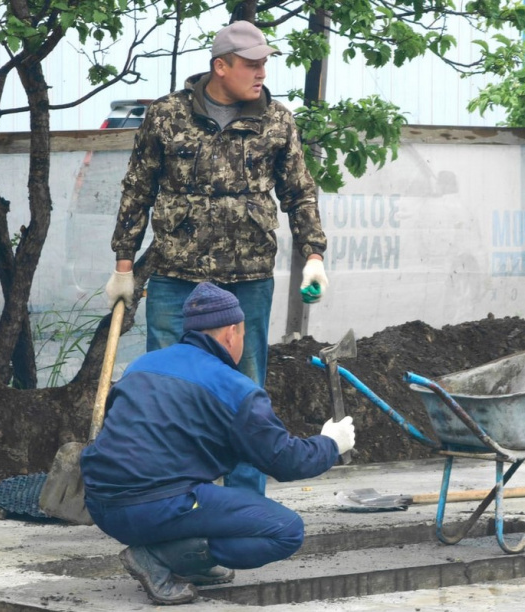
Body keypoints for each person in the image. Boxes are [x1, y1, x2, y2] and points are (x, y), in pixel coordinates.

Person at [103, 20, 329, 496]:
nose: (260, 72)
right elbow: (137, 189)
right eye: (250, 64)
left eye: (264, 63)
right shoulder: (167, 116)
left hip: (246, 278)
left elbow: (299, 193)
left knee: (247, 388)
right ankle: (167, 491)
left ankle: (244, 500)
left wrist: (313, 254)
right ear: (220, 66)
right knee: (165, 386)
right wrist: (124, 265)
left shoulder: (277, 121)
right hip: (176, 278)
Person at [81, 283, 355, 605]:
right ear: (231, 333)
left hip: (101, 504)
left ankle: (189, 560)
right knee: (285, 530)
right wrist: (330, 443)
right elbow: (286, 460)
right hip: (155, 507)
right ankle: (160, 557)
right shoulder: (236, 388)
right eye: (243, 333)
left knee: (199, 494)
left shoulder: (142, 365)